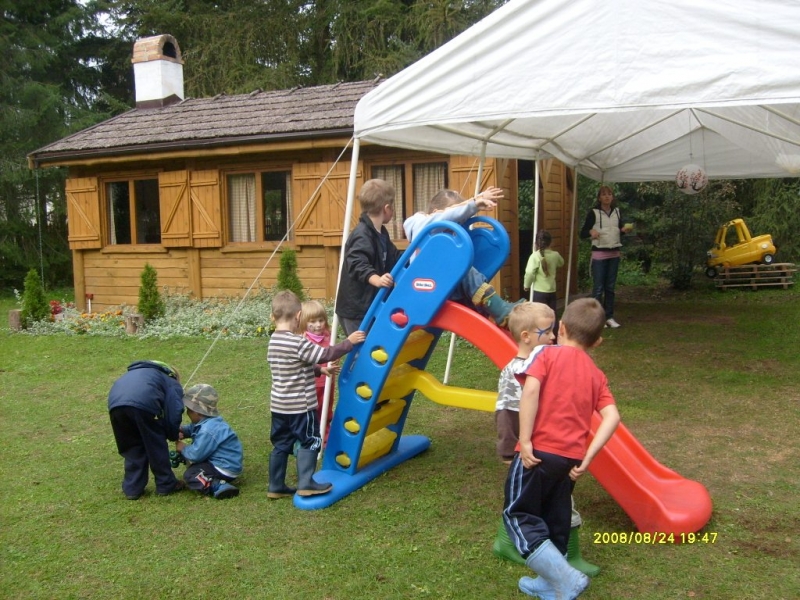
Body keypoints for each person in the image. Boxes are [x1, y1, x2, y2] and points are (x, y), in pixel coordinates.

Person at [502, 298, 621, 599]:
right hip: (570, 460)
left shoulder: (546, 354)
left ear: (562, 328)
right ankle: (550, 584)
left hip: (538, 454)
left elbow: (530, 389)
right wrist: (588, 457)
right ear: (597, 342)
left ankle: (565, 578)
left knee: (519, 515)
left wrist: (525, 439)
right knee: (555, 517)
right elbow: (612, 417)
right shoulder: (597, 375)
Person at [267, 290, 366, 499]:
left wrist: (319, 371)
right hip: (300, 406)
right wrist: (349, 342)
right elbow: (325, 354)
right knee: (310, 440)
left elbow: (293, 366)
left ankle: (275, 485)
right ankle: (306, 482)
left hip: (279, 406)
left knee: (281, 443)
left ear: (273, 317)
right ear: (298, 316)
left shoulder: (274, 341)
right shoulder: (297, 342)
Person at [403, 187, 522, 327]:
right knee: (460, 266)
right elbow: (445, 216)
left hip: (441, 286)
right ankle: (498, 309)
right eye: (453, 223)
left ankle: (493, 314)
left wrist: (477, 201)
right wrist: (473, 204)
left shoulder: (438, 229)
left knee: (460, 267)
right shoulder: (421, 224)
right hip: (425, 288)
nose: (454, 230)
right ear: (436, 213)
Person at [107, 360, 185, 500]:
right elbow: (174, 412)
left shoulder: (135, 373)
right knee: (155, 444)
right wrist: (173, 434)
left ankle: (133, 489)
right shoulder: (170, 380)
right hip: (144, 405)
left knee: (131, 447)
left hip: (116, 406)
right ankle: (166, 484)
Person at [336, 179, 402, 336]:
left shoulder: (381, 233)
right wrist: (376, 279)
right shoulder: (362, 234)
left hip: (370, 306)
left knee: (372, 350)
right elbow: (356, 262)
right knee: (361, 353)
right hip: (355, 310)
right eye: (393, 207)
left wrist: (415, 256)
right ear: (386, 208)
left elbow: (395, 257)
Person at [495, 302, 556, 465]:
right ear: (526, 336)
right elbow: (507, 410)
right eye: (547, 332)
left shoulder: (539, 363)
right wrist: (510, 447)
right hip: (519, 435)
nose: (553, 337)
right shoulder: (516, 370)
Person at [176, 383, 243, 500]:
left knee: (191, 474)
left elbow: (196, 455)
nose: (187, 413)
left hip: (223, 467)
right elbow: (192, 429)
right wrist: (182, 430)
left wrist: (183, 448)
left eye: (189, 410)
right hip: (229, 464)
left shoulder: (208, 430)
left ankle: (218, 485)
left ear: (197, 411)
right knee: (195, 468)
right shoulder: (208, 421)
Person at [579, 185, 633, 328]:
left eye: (609, 194)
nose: (607, 196)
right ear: (599, 198)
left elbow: (617, 230)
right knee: (598, 288)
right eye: (604, 194)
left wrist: (624, 230)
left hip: (614, 253)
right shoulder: (594, 213)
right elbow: (582, 233)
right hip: (599, 254)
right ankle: (597, 319)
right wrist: (591, 232)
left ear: (612, 197)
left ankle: (609, 316)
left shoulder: (617, 212)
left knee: (610, 287)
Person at [298, 299, 338, 439]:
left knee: (327, 407)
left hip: (328, 381)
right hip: (312, 383)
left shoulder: (329, 336)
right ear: (304, 322)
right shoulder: (304, 339)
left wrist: (335, 359)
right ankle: (312, 433)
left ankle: (326, 432)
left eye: (321, 320)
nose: (318, 325)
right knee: (314, 409)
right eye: (313, 322)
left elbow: (334, 353)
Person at [523, 230, 564, 339]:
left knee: (538, 317)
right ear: (551, 242)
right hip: (551, 291)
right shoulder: (555, 255)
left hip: (539, 292)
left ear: (536, 243)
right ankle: (553, 339)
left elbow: (529, 273)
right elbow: (562, 263)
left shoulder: (534, 256)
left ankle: (539, 338)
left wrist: (527, 285)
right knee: (552, 316)